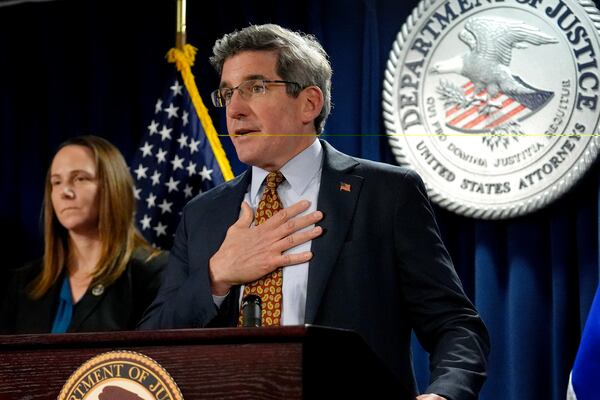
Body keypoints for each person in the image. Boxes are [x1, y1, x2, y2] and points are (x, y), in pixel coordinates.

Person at [139, 24, 489, 400]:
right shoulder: (202, 213)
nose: (235, 110)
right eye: (227, 93)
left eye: (255, 88)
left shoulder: (385, 195)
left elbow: (456, 326)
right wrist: (216, 276)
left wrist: (443, 395)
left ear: (309, 103)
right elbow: (149, 344)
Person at [0, 135, 166, 333]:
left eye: (80, 178)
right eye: (57, 182)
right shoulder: (25, 283)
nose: (65, 192)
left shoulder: (153, 273)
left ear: (113, 186)